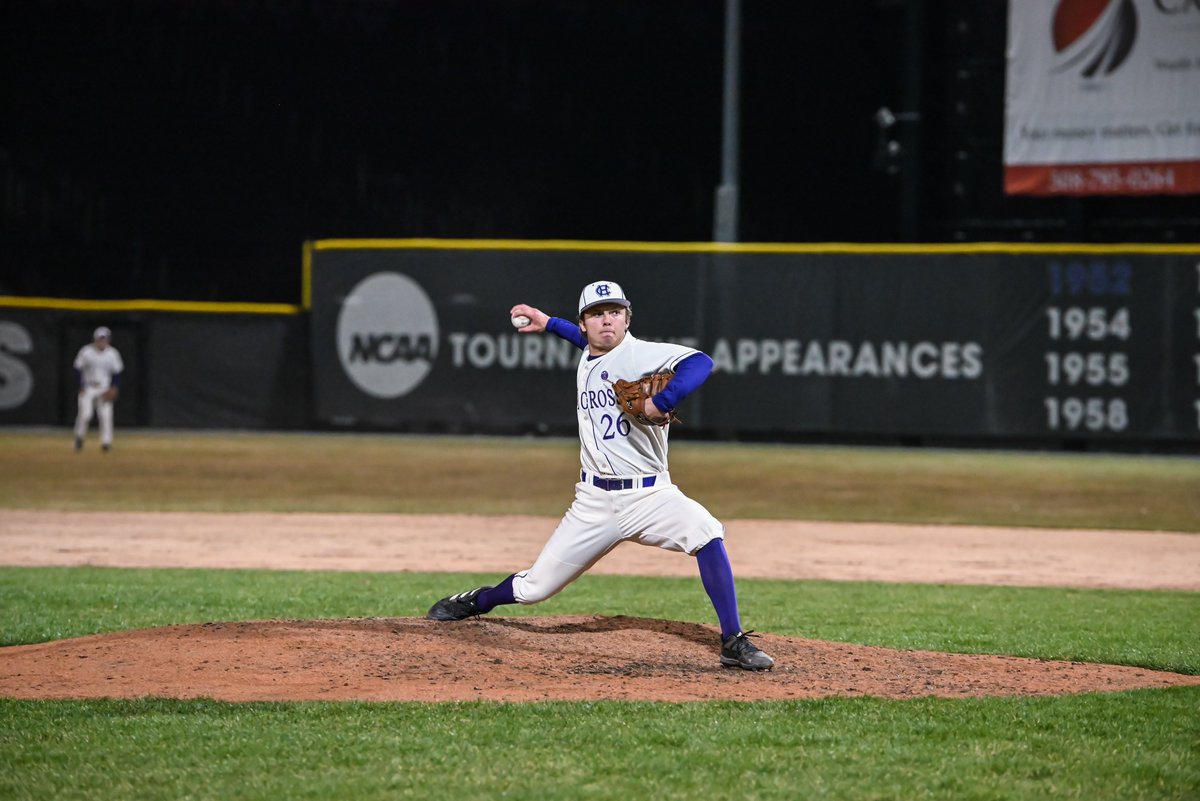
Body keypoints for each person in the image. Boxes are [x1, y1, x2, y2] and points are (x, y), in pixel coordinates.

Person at [427, 280, 774, 670]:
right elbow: (586, 346)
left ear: (627, 318)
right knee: (534, 588)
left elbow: (701, 363)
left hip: (651, 496)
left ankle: (733, 640)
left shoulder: (643, 354)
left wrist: (663, 400)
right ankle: (478, 601)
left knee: (707, 532)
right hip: (593, 503)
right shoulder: (590, 354)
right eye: (596, 314)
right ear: (584, 324)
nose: (606, 321)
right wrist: (548, 323)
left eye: (614, 312)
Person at [73, 326, 124, 453]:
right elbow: (77, 369)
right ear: (94, 339)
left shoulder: (112, 353)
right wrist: (80, 386)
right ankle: (79, 438)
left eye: (104, 339)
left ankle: (106, 444)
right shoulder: (86, 351)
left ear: (108, 340)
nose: (102, 342)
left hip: (104, 388)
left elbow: (117, 373)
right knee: (85, 415)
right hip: (88, 387)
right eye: (99, 339)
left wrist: (114, 388)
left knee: (106, 416)